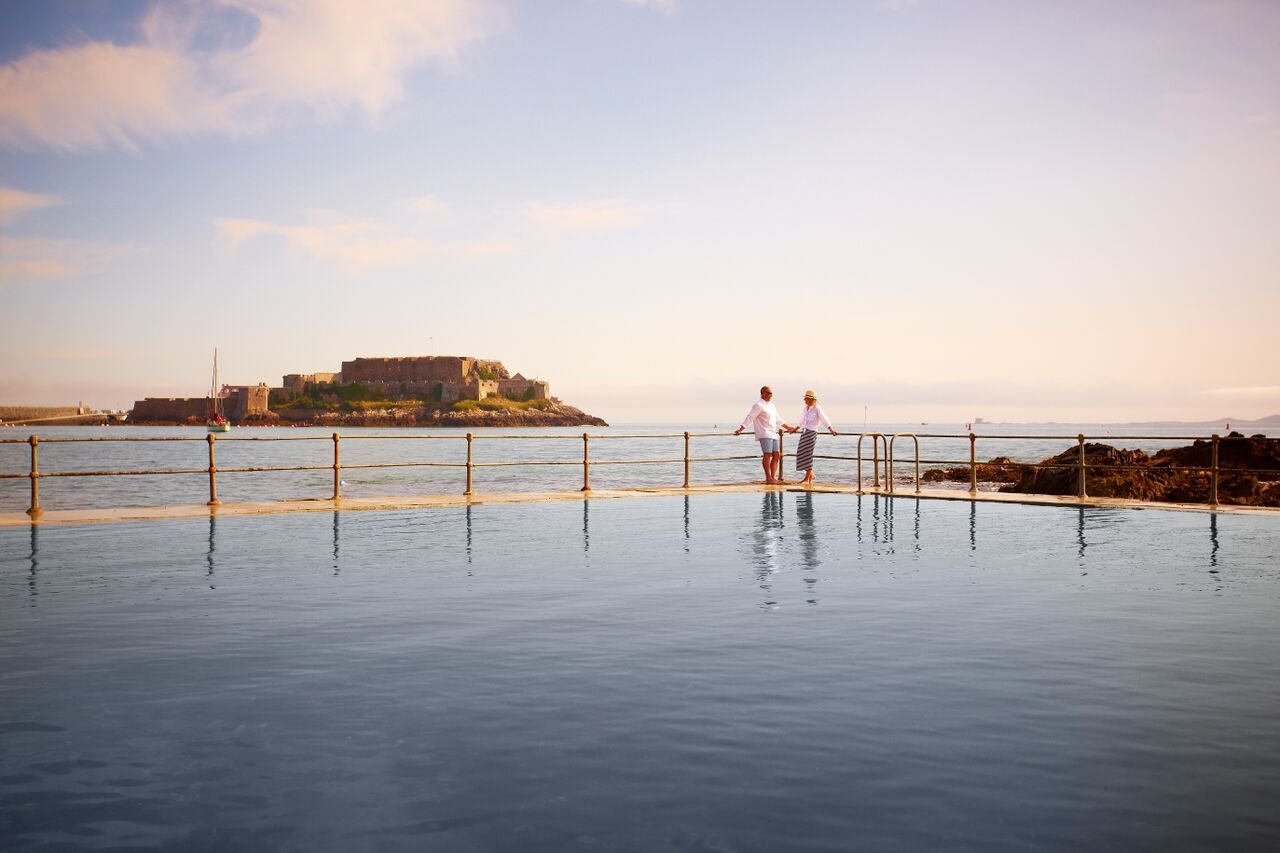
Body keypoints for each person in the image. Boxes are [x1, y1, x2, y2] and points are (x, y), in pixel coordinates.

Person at [735, 386, 793, 484]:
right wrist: (741, 429)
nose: (771, 395)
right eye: (769, 393)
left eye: (772, 393)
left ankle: (773, 477)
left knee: (777, 455)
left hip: (773, 433)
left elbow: (778, 418)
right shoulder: (758, 405)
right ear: (763, 393)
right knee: (768, 454)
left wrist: (789, 428)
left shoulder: (771, 405)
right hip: (764, 433)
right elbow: (750, 417)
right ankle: (768, 478)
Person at [787, 389, 837, 486]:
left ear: (811, 399)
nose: (804, 399)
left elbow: (824, 419)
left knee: (807, 453)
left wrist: (831, 429)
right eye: (805, 398)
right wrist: (795, 429)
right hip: (804, 432)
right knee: (801, 452)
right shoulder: (806, 409)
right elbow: (801, 421)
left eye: (806, 398)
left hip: (812, 433)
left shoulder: (817, 409)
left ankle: (807, 477)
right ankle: (811, 474)